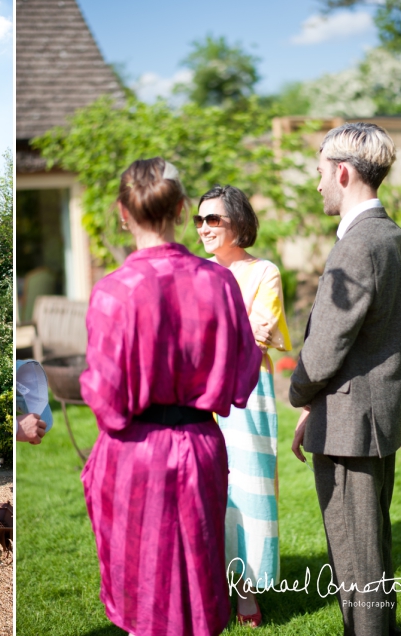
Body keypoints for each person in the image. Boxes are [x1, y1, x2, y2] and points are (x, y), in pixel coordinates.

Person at [79, 157, 261, 636]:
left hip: (135, 452)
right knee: (198, 588)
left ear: (123, 211)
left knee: (145, 593)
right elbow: (244, 372)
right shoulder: (219, 282)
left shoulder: (112, 292)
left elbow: (105, 397)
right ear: (182, 209)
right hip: (200, 446)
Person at [290, 122, 401, 636]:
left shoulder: (358, 245)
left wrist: (299, 396)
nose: (317, 184)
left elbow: (324, 348)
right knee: (371, 552)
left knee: (357, 563)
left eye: (319, 173)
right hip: (372, 422)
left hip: (350, 427)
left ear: (342, 172)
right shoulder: (392, 235)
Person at [196, 184, 292, 626]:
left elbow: (257, 332)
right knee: (208, 492)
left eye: (213, 219)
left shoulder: (263, 272)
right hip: (198, 397)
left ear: (238, 222)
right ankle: (210, 584)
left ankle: (248, 591)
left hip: (248, 394)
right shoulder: (195, 272)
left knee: (249, 492)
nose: (204, 227)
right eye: (199, 219)